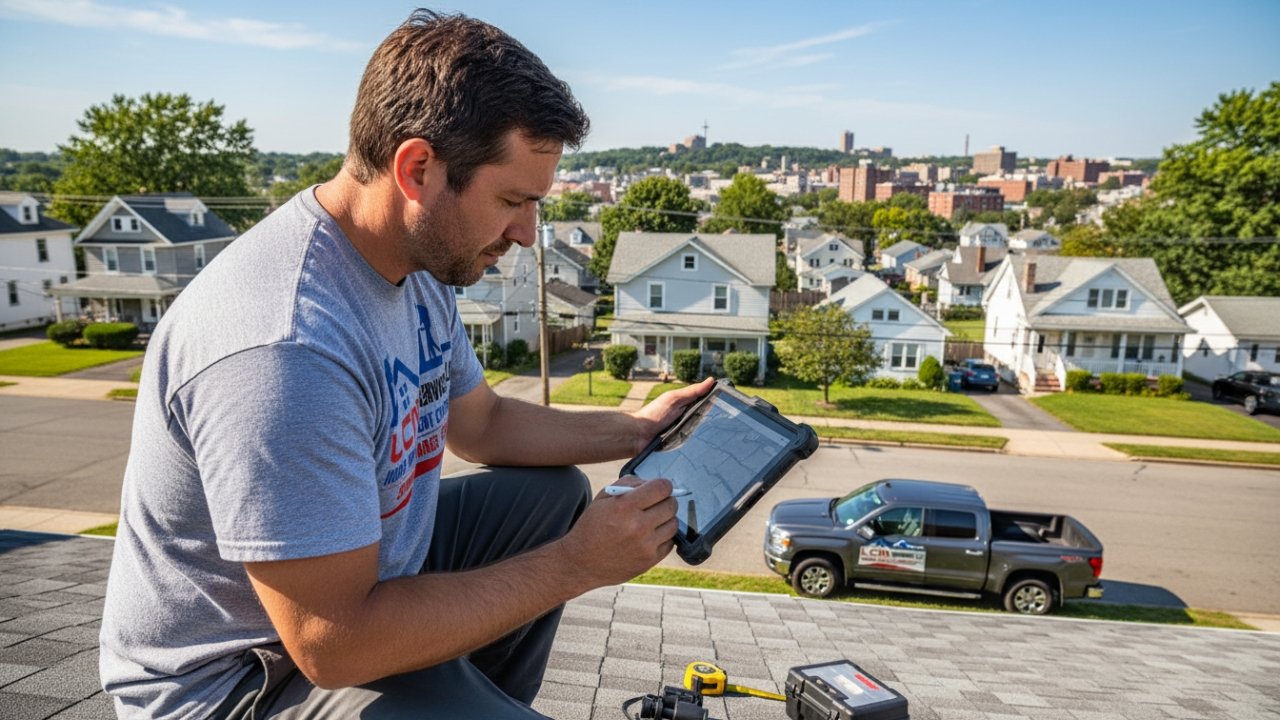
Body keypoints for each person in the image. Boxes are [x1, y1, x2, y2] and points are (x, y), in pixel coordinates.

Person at [98, 10, 712, 719]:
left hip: (355, 592)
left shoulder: (417, 262)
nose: (526, 233)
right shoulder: (285, 347)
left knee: (550, 500)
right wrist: (575, 565)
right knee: (557, 546)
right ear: (417, 169)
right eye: (512, 200)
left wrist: (635, 432)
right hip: (244, 681)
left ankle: (466, 695)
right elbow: (332, 645)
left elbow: (481, 425)